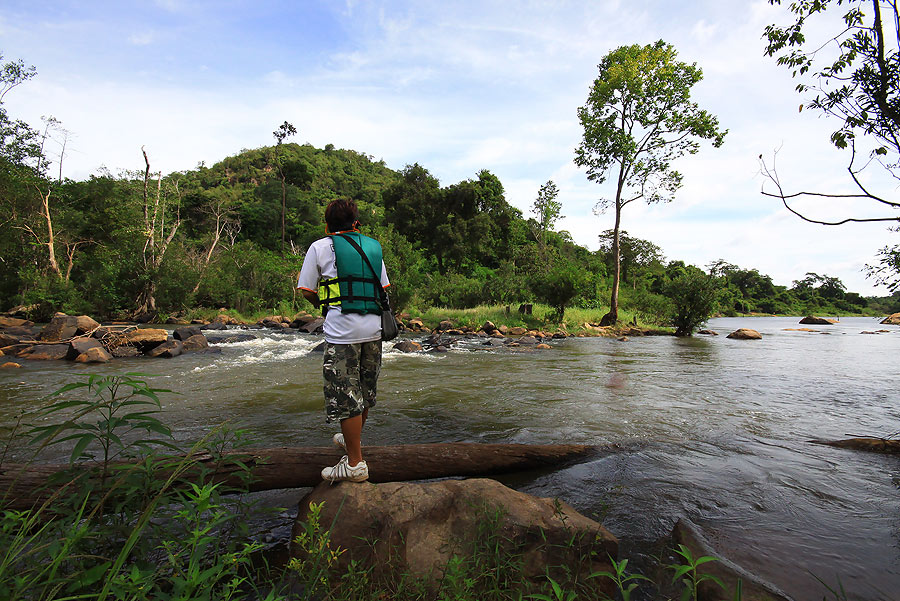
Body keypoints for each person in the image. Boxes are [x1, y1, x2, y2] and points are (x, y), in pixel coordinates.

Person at [296, 197, 390, 483]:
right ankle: (353, 442)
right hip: (374, 330)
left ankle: (355, 464)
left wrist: (322, 302)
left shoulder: (320, 247)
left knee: (347, 396)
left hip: (342, 334)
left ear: (327, 225)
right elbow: (384, 286)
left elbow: (306, 289)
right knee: (364, 390)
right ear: (356, 224)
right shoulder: (373, 247)